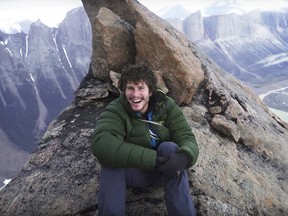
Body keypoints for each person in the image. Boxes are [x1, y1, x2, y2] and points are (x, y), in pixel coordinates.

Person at [91, 64, 199, 216]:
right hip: (134, 172)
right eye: (130, 88)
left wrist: (185, 156)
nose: (135, 95)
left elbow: (187, 137)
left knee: (170, 148)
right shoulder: (116, 110)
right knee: (111, 163)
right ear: (124, 90)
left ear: (151, 91)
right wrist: (152, 159)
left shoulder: (166, 106)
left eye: (141, 88)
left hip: (163, 171)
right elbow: (102, 144)